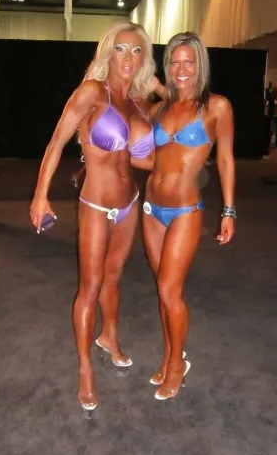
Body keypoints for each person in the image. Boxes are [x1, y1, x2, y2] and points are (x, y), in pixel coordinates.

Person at [29, 22, 156, 413]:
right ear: (107, 52)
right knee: (91, 285)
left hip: (130, 202)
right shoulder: (91, 92)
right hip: (97, 204)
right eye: (121, 49)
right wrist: (40, 196)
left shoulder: (138, 101)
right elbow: (56, 143)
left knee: (114, 279)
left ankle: (109, 337)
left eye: (137, 51)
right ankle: (85, 368)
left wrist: (158, 86)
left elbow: (144, 157)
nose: (128, 58)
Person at [142, 32, 236, 400]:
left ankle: (178, 366)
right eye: (175, 62)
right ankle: (170, 358)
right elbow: (149, 158)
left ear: (200, 65)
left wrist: (229, 210)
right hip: (151, 209)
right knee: (162, 290)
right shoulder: (158, 110)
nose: (181, 69)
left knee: (170, 289)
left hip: (185, 209)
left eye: (189, 62)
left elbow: (225, 160)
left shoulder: (216, 107)